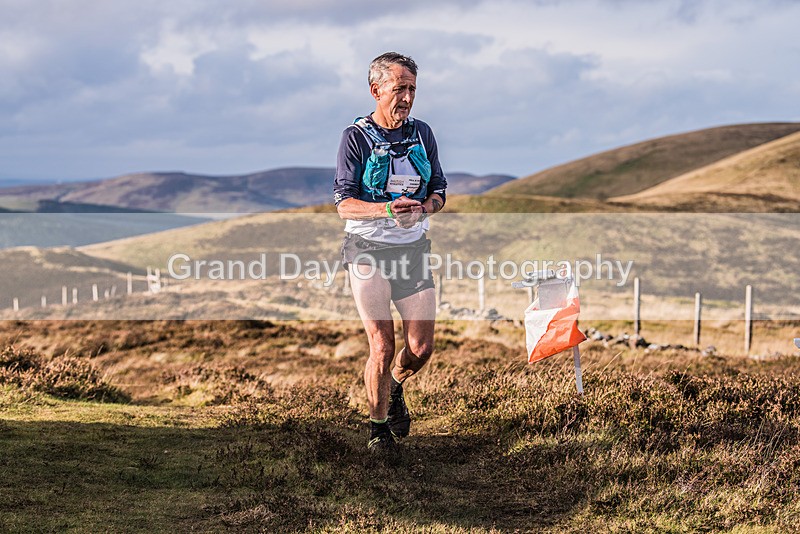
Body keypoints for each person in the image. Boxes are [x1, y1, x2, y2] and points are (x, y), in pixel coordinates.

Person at [333, 52, 447, 454]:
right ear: (375, 89)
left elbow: (439, 193)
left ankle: (395, 386)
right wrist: (385, 209)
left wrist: (423, 207)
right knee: (381, 344)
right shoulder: (356, 137)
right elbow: (344, 203)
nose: (407, 97)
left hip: (413, 250)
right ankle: (378, 429)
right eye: (399, 88)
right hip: (366, 250)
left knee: (420, 348)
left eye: (412, 89)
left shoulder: (423, 133)